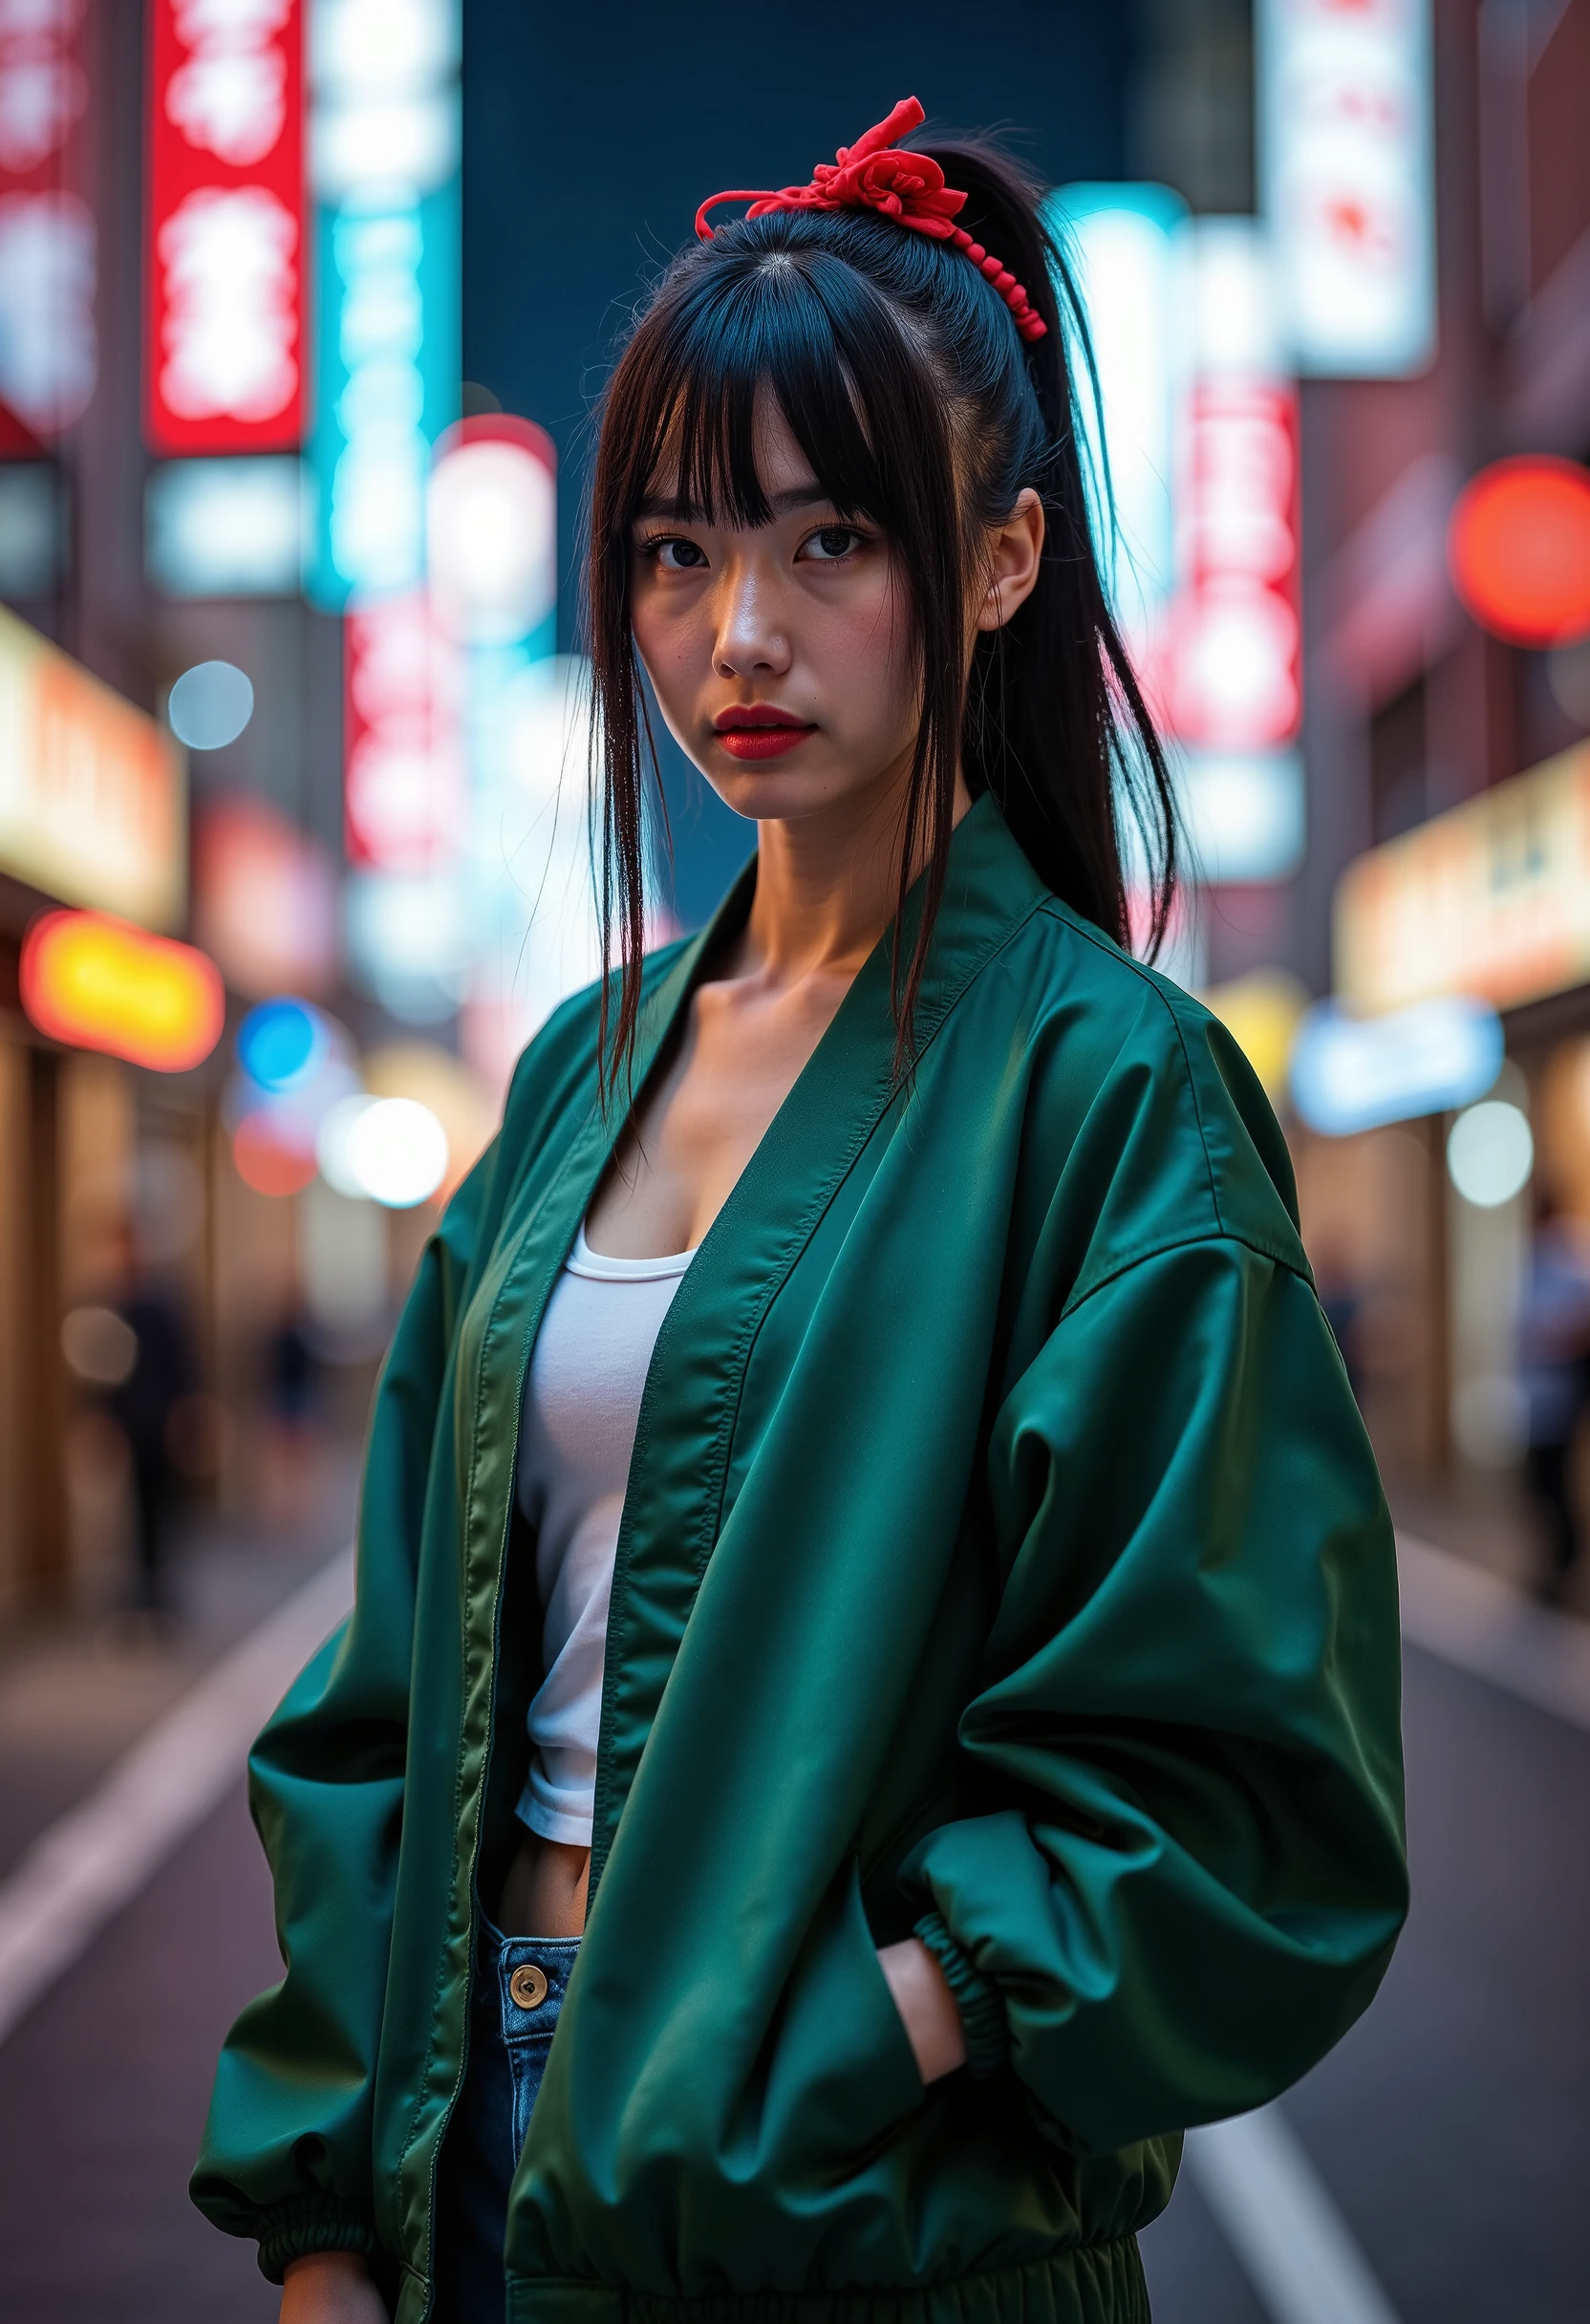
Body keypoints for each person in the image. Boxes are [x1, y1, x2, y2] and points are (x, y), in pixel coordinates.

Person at [192, 101, 1407, 2324]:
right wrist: (321, 2211)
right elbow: (386, 1687)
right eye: (668, 551)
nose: (732, 628)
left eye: (828, 540)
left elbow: (1244, 1790)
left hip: (867, 2218)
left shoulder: (1107, 1093)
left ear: (1007, 555)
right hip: (467, 2147)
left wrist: (859, 2030)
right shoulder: (574, 1067)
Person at [1517, 1187, 1590, 1602]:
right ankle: (1556, 1561)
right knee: (1538, 1483)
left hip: (1558, 1393)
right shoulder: (1533, 1259)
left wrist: (1552, 1339)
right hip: (1537, 1392)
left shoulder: (1567, 1259)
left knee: (1551, 1482)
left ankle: (1565, 1560)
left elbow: (1579, 1322)